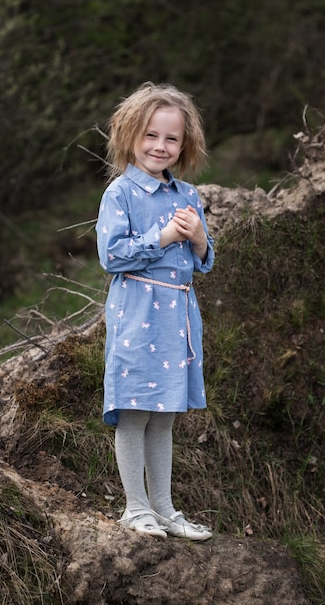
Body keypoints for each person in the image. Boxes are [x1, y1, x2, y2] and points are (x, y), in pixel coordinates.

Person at [96, 82, 215, 541]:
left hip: (179, 316)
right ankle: (135, 507)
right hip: (137, 312)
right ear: (130, 135)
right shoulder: (121, 193)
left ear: (185, 144)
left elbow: (202, 261)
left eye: (171, 138)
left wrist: (200, 239)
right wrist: (162, 238)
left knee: (163, 414)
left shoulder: (187, 193)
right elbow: (112, 256)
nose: (160, 146)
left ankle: (164, 508)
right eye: (150, 135)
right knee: (134, 411)